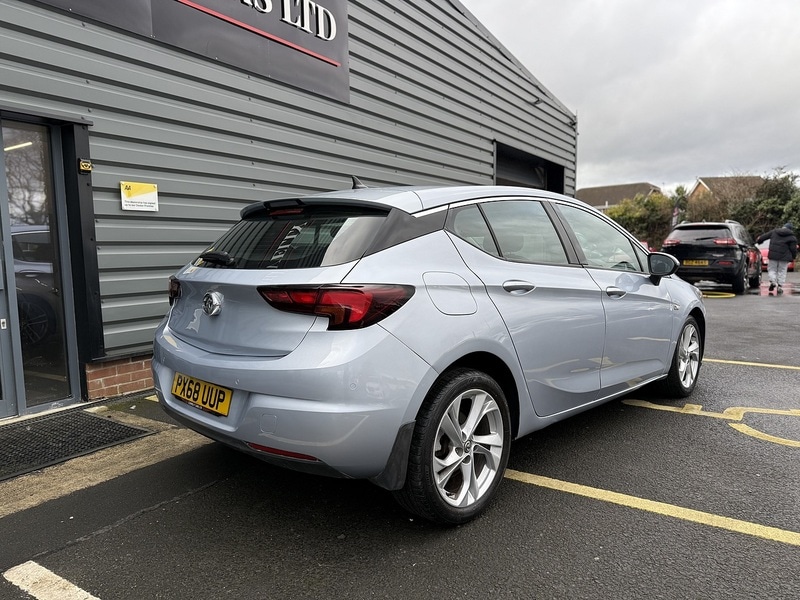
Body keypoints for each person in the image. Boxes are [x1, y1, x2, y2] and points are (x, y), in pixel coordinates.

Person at [756, 222, 798, 295]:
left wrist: (759, 241)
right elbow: (793, 249)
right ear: (790, 229)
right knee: (782, 271)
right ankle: (780, 286)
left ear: (783, 227)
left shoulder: (775, 232)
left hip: (773, 255)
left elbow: (764, 237)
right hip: (784, 257)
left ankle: (773, 282)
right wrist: (793, 257)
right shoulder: (792, 238)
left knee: (772, 269)